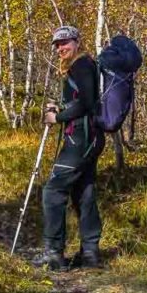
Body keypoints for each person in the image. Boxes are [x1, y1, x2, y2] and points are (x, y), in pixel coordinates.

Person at [38, 25, 105, 271]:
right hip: (87, 139)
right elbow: (80, 100)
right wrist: (61, 108)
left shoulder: (82, 65)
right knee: (83, 192)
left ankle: (54, 254)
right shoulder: (82, 65)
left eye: (64, 42)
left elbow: (86, 103)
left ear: (77, 41)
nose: (60, 48)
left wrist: (58, 117)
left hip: (81, 140)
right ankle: (90, 254)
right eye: (57, 44)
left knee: (53, 191)